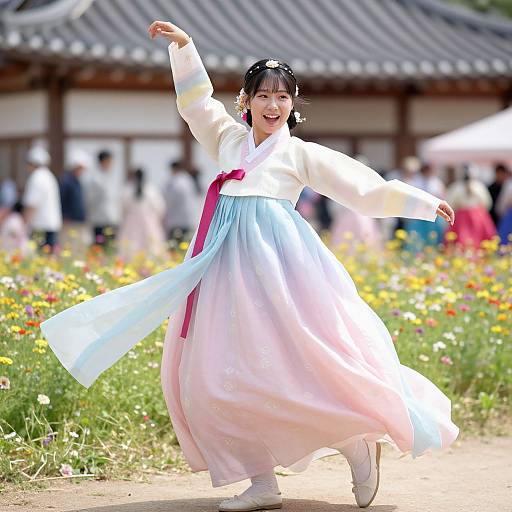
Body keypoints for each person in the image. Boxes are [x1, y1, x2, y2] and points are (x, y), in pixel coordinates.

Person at [41, 21, 458, 512]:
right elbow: (196, 104)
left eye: (283, 97)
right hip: (222, 269)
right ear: (246, 101)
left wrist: (423, 202)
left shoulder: (298, 154)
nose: (274, 105)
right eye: (264, 95)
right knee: (220, 372)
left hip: (283, 272)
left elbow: (359, 186)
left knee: (308, 361)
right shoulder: (226, 140)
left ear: (293, 106)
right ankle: (261, 480)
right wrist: (184, 49)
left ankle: (355, 444)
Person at [117, 168, 167, 261]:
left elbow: (123, 208)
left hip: (131, 222)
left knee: (131, 246)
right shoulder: (151, 190)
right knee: (151, 246)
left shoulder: (128, 189)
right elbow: (160, 207)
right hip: (149, 221)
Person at [445, 165, 496, 248]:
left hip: (477, 217)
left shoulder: (478, 186)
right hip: (462, 218)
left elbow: (486, 202)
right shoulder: (457, 187)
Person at [22, 146, 62, 252]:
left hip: (40, 226)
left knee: (39, 259)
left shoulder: (36, 178)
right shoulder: (49, 176)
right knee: (49, 259)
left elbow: (32, 204)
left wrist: (24, 224)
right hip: (52, 225)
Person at [402, 162, 447, 251]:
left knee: (433, 236)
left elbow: (442, 196)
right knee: (417, 236)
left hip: (433, 214)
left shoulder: (436, 182)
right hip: (418, 214)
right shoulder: (415, 181)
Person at [85, 150, 121, 248]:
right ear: (103, 161)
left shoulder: (113, 177)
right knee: (99, 248)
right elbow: (90, 200)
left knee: (111, 248)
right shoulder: (95, 178)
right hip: (99, 219)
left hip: (112, 219)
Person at [59, 149, 89, 254]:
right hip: (69, 221)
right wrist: (64, 216)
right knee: (69, 249)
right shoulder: (66, 181)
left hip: (78, 221)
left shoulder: (76, 181)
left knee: (78, 249)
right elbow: (62, 200)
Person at [163, 159, 198, 247]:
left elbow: (169, 202)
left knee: (176, 248)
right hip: (188, 220)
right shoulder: (188, 180)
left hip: (176, 221)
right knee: (186, 247)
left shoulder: (175, 182)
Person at [488, 163, 510, 227]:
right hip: (494, 219)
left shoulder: (508, 187)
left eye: (502, 174)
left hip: (506, 218)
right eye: (499, 173)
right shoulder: (491, 188)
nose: (500, 176)